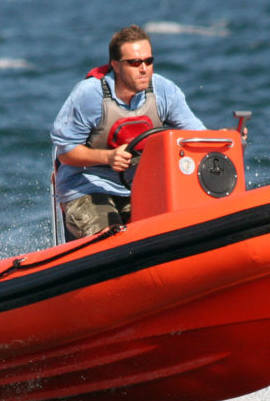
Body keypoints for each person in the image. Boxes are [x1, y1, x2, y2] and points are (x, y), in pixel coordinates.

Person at [50, 24, 206, 240]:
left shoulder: (164, 91)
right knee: (111, 238)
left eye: (148, 61)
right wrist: (108, 157)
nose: (144, 69)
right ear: (115, 65)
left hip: (139, 188)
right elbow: (65, 152)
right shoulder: (89, 95)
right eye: (134, 63)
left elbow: (198, 136)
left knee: (174, 229)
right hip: (87, 188)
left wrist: (227, 137)